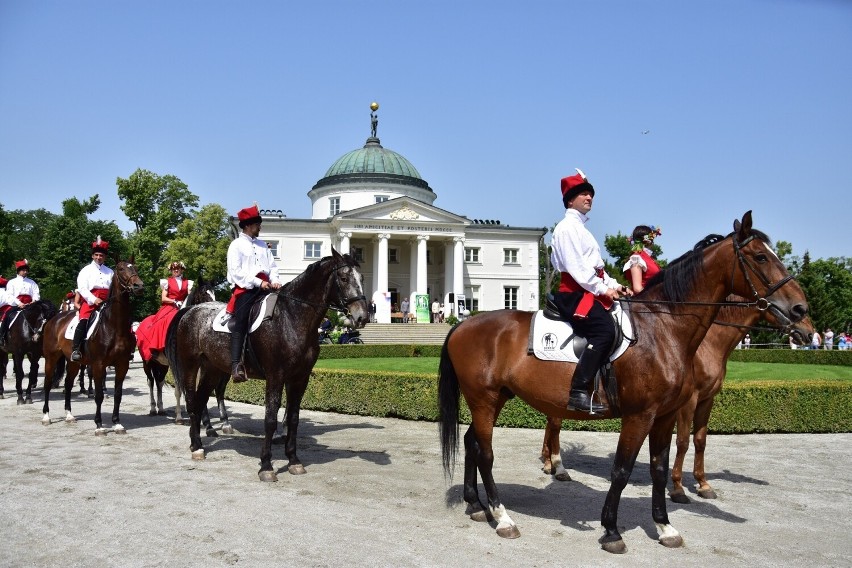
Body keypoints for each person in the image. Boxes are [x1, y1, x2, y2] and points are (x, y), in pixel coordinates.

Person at [550, 169, 630, 413]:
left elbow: (598, 270)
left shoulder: (582, 229)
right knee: (604, 330)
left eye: (590, 194)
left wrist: (616, 286)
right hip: (573, 294)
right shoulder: (566, 228)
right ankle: (578, 391)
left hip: (587, 290)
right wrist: (604, 290)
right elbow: (578, 271)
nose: (589, 197)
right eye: (583, 193)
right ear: (570, 200)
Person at [226, 204, 281, 383]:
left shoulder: (263, 245)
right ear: (249, 225)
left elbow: (272, 267)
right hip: (247, 289)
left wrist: (275, 280)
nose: (260, 227)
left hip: (268, 287)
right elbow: (236, 272)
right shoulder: (236, 245)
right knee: (241, 320)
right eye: (258, 224)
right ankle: (236, 365)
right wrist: (259, 282)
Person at [134, 261, 192, 362]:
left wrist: (185, 303)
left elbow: (189, 296)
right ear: (171, 271)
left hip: (184, 306)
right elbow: (163, 298)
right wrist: (174, 301)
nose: (176, 270)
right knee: (162, 322)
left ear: (182, 270)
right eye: (174, 269)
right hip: (169, 306)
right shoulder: (167, 282)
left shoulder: (188, 283)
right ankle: (157, 347)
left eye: (178, 268)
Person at [72, 237, 114, 361]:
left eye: (101, 255)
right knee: (84, 320)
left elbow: (112, 289)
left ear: (104, 257)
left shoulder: (110, 272)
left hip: (107, 302)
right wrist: (94, 299)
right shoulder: (85, 271)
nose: (98, 257)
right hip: (90, 301)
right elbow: (83, 288)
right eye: (96, 255)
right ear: (92, 256)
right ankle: (76, 349)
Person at [0, 259, 41, 345]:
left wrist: (34, 301)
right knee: (6, 316)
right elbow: (9, 295)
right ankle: (2, 336)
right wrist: (19, 303)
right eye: (23, 270)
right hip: (17, 305)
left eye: (26, 270)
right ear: (18, 271)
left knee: (42, 317)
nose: (25, 272)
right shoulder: (12, 282)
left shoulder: (32, 282)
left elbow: (36, 294)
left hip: (30, 305)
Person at [622, 226, 662, 293]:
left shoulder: (648, 258)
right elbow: (637, 288)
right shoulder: (636, 258)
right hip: (644, 301)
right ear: (649, 240)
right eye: (652, 238)